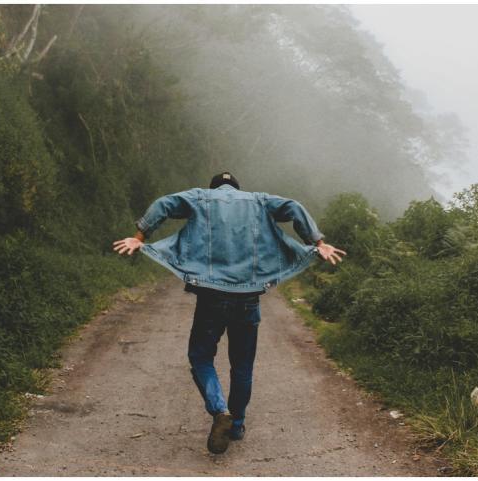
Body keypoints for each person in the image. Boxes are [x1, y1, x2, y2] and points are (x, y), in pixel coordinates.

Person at [113, 172, 345, 455]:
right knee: (242, 366)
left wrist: (140, 237)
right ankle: (236, 425)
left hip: (211, 296)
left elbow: (164, 204)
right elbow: (294, 207)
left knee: (200, 357)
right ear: (238, 188)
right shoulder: (258, 201)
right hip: (247, 298)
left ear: (215, 188)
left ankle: (219, 409)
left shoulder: (201, 197)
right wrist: (317, 242)